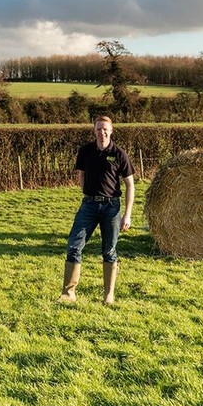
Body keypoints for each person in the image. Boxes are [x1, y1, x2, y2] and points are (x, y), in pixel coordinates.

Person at [59, 115, 135, 304]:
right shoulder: (85, 151)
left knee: (109, 251)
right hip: (89, 205)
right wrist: (87, 193)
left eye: (105, 129)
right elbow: (82, 175)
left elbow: (130, 185)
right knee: (73, 246)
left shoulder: (119, 153)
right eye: (98, 129)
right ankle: (68, 293)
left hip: (111, 207)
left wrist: (127, 214)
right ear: (94, 131)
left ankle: (108, 295)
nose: (102, 132)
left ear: (111, 130)